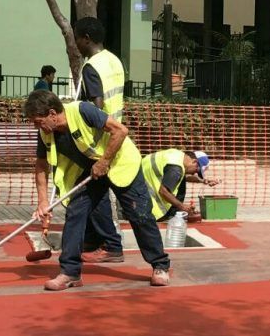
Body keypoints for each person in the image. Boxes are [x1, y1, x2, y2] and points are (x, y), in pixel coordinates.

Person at [26, 89, 172, 290]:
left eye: (37, 121)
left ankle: (160, 266)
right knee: (75, 214)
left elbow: (120, 130)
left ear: (52, 113)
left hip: (120, 163)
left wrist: (105, 161)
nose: (36, 126)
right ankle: (70, 273)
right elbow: (41, 166)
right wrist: (43, 201)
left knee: (139, 215)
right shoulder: (45, 133)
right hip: (92, 170)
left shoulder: (83, 110)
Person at [74, 17, 128, 264]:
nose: (76, 44)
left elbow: (96, 107)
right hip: (115, 133)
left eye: (77, 38)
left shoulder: (91, 66)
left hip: (99, 139)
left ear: (86, 37)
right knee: (94, 191)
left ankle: (110, 244)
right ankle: (94, 239)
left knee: (93, 191)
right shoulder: (114, 60)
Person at [141, 149, 220, 221]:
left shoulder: (176, 155)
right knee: (178, 186)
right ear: (194, 162)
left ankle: (174, 212)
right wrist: (182, 206)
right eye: (196, 170)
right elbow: (163, 191)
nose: (194, 173)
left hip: (141, 181)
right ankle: (170, 214)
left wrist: (204, 180)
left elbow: (181, 176)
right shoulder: (176, 169)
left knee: (181, 180)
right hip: (144, 201)